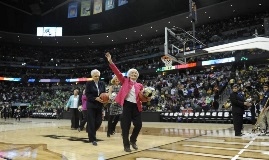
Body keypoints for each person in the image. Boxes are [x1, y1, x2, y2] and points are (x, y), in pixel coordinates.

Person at [106, 52, 150, 152]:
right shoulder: (125, 81)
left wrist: (148, 99)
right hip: (127, 106)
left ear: (137, 76)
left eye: (135, 74)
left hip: (137, 107)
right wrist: (110, 62)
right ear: (129, 75)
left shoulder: (140, 85)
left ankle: (133, 140)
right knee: (125, 127)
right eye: (132, 73)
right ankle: (126, 145)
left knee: (138, 125)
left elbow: (143, 97)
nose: (134, 74)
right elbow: (117, 72)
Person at [85, 69, 106, 146]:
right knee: (91, 122)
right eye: (95, 76)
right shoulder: (89, 84)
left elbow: (103, 93)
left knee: (98, 122)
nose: (97, 77)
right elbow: (87, 95)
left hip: (99, 105)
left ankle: (90, 130)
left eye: (98, 76)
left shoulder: (102, 83)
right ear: (92, 76)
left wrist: (104, 99)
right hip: (91, 105)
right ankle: (92, 139)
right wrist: (95, 98)